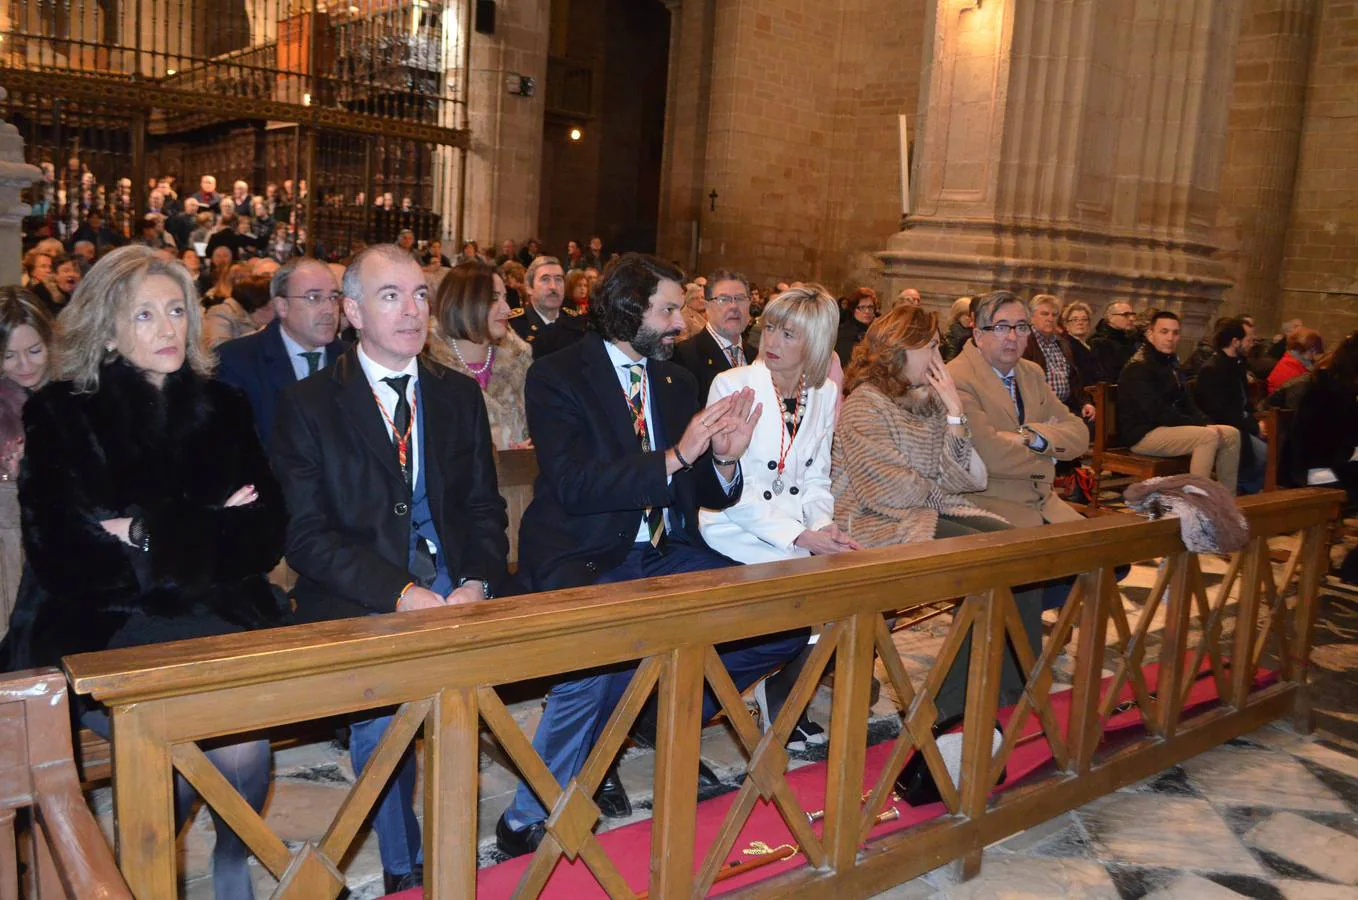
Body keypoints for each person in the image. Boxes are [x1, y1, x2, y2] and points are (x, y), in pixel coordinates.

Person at [0, 245, 288, 900]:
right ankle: (140, 878)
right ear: (106, 326)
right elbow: (67, 556)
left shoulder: (223, 406)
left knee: (244, 740)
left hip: (211, 617)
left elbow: (265, 534)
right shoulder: (61, 411)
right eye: (145, 315)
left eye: (177, 311)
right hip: (95, 630)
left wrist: (139, 531)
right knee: (179, 734)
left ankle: (229, 864)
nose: (167, 329)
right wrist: (203, 526)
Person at [497, 252, 804, 857]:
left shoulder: (676, 380)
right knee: (599, 664)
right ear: (629, 309)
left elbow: (697, 491)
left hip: (668, 551)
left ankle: (655, 717)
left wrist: (722, 457)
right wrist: (679, 456)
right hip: (586, 553)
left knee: (784, 617)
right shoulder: (558, 374)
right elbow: (576, 485)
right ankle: (527, 812)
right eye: (668, 311)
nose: (679, 324)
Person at [270, 244, 507, 893]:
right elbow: (307, 538)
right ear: (351, 311)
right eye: (390, 295)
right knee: (386, 710)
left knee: (475, 694)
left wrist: (478, 581)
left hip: (458, 590)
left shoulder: (456, 395)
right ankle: (405, 867)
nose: (411, 310)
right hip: (358, 595)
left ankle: (498, 829)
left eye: (421, 294)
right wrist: (400, 593)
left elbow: (485, 507)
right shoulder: (311, 403)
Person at [833, 303, 1043, 781]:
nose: (938, 356)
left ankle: (1011, 692)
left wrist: (953, 414)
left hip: (924, 511)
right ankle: (948, 711)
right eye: (930, 346)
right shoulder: (866, 402)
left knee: (1016, 550)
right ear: (900, 350)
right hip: (872, 524)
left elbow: (963, 479)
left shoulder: (926, 398)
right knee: (983, 563)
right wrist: (933, 484)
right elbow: (887, 491)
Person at [699, 286, 856, 750]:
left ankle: (783, 696)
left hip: (792, 531)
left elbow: (817, 477)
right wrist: (801, 536)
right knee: (801, 603)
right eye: (769, 327)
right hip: (734, 528)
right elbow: (735, 488)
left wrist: (823, 524)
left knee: (845, 596)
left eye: (789, 334)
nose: (772, 341)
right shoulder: (733, 384)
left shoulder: (824, 392)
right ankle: (698, 702)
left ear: (815, 342)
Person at [946, 290, 1090, 526]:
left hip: (1045, 502)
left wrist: (1032, 439)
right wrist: (1051, 457)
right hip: (991, 504)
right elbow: (989, 456)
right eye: (1001, 327)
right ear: (978, 334)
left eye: (1021, 327)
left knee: (1108, 555)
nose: (1013, 337)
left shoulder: (1031, 372)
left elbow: (1079, 434)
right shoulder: (958, 377)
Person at [215, 257, 346, 443]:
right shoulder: (235, 361)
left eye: (333, 297)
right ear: (281, 306)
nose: (329, 309)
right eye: (313, 297)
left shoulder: (355, 361)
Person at [1117, 310, 1241, 492]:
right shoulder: (1139, 366)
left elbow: (1187, 401)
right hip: (1143, 433)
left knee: (1231, 434)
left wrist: (1206, 421)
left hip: (1168, 427)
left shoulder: (1170, 362)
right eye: (1164, 332)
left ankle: (1226, 500)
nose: (1170, 338)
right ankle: (1198, 503)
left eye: (1175, 333)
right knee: (1206, 437)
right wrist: (1200, 426)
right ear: (1150, 334)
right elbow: (1158, 411)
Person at [426, 260, 532, 449]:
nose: (506, 309)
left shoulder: (519, 361)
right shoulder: (429, 366)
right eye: (493, 298)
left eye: (505, 297)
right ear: (463, 302)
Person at [1194, 318, 1265, 494]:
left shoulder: (1237, 364)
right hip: (1223, 427)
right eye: (1248, 340)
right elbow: (1220, 411)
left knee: (1278, 446)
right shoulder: (1214, 369)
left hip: (1240, 424)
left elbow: (1243, 402)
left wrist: (1257, 422)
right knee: (1264, 455)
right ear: (1235, 342)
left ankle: (1250, 492)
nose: (1251, 344)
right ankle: (1244, 493)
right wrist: (1255, 427)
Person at [1283, 331, 1358, 498]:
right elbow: (1319, 439)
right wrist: (1353, 452)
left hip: (1336, 461)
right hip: (1314, 468)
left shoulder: (1345, 389)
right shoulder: (1326, 389)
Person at [673, 268, 756, 400]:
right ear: (707, 306)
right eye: (723, 299)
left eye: (740, 299)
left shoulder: (757, 357)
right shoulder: (684, 356)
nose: (733, 306)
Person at [0, 288, 54, 477]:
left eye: (35, 351)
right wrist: (9, 476)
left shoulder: (79, 391)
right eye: (9, 355)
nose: (25, 365)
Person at [1022, 294, 1094, 421]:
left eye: (1054, 315)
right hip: (1038, 410)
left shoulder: (1062, 343)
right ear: (1031, 317)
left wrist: (1084, 403)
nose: (1050, 319)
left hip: (1066, 407)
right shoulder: (1024, 342)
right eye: (1045, 314)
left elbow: (1073, 378)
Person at [508, 255, 588, 357]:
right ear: (529, 287)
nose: (553, 287)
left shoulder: (576, 322)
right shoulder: (514, 325)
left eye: (558, 280)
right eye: (545, 279)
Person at [201, 272, 271, 350]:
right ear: (263, 306)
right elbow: (219, 350)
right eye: (273, 305)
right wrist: (261, 334)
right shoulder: (220, 313)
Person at [1089, 300, 1141, 383]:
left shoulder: (1131, 338)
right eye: (1125, 315)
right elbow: (1107, 376)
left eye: (1132, 315)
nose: (1131, 319)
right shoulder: (1099, 342)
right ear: (1110, 317)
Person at [1267, 327, 1323, 395]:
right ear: (1310, 350)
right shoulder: (1292, 367)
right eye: (1315, 349)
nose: (1315, 353)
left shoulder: (1290, 361)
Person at [1058, 300, 1101, 386]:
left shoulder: (1089, 346)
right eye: (1075, 319)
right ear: (1066, 324)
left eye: (1084, 319)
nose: (1080, 323)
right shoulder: (1065, 346)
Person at [835, 287, 878, 364]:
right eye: (862, 307)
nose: (867, 311)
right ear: (853, 309)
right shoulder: (844, 333)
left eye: (870, 307)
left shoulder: (877, 330)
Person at [29, 253, 80, 318]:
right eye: (66, 271)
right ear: (55, 275)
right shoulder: (41, 293)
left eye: (76, 271)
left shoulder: (83, 294)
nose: (72, 274)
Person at [941, 296, 973, 361]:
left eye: (970, 315)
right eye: (966, 315)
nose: (969, 318)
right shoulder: (955, 331)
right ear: (957, 315)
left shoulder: (972, 331)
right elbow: (950, 356)